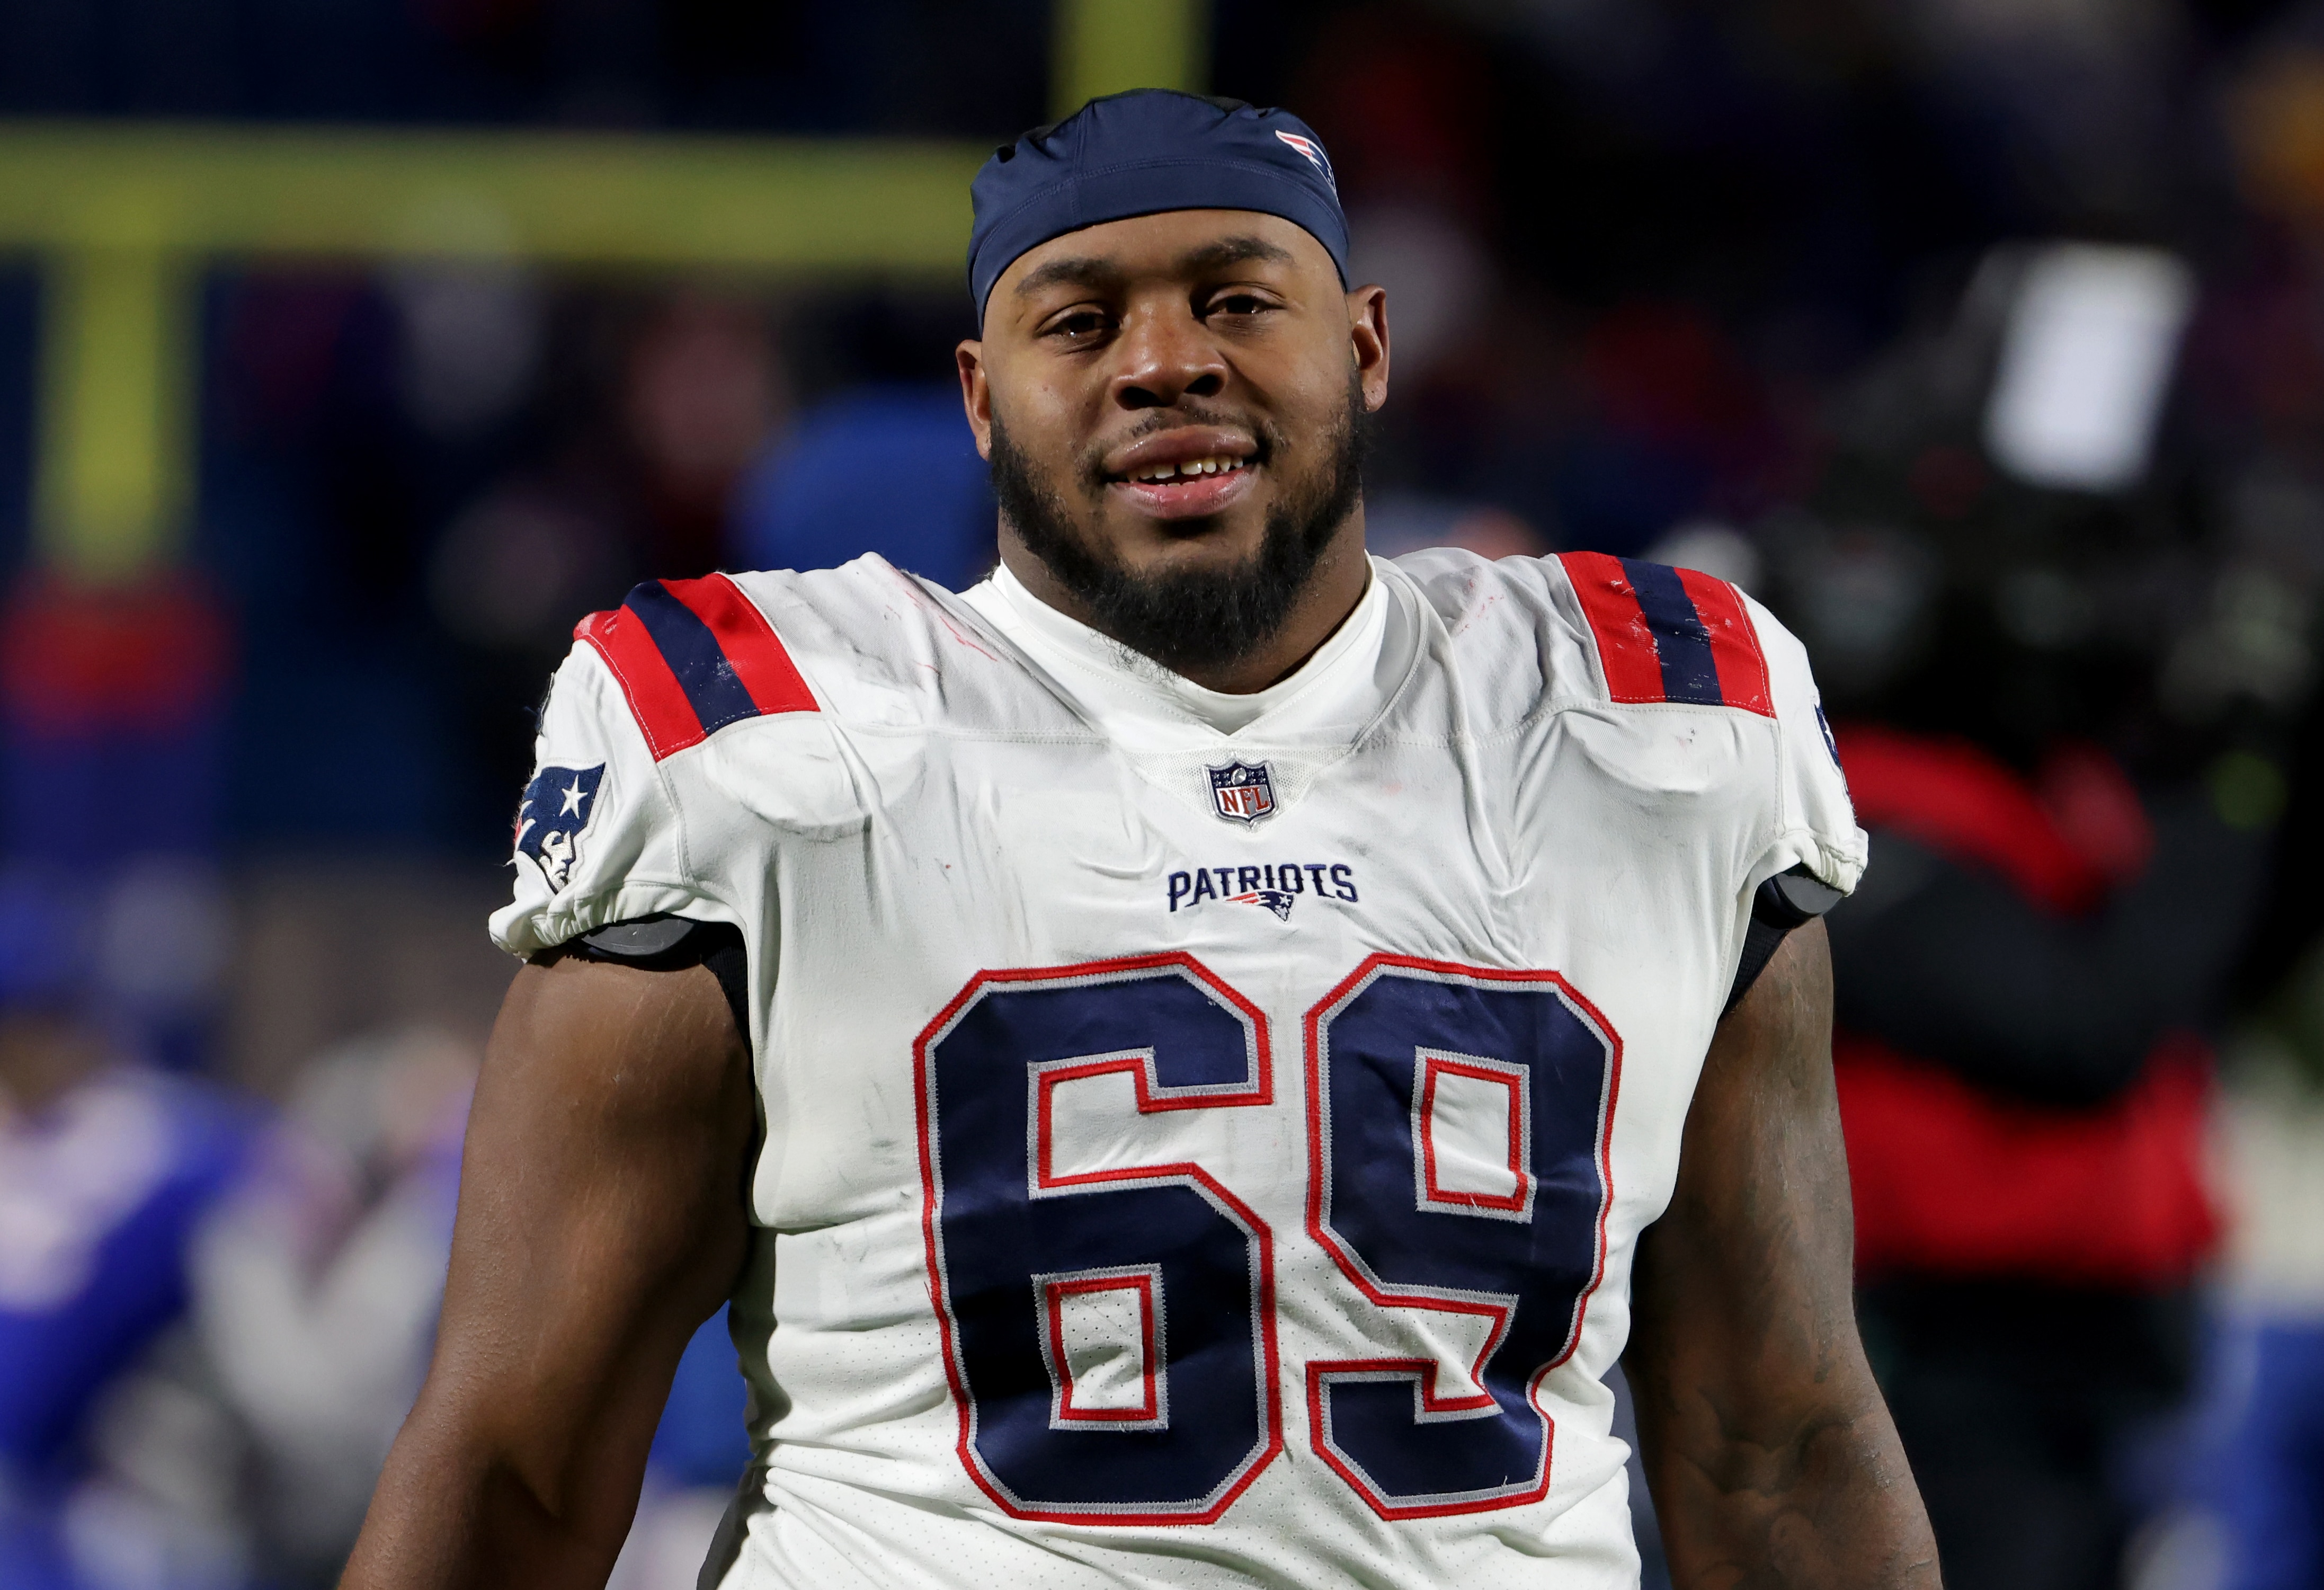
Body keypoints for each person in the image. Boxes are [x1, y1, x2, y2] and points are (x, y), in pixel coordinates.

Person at [342, 91, 1937, 1589]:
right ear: (981, 396)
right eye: (1081, 318)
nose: (1163, 361)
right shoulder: (767, 743)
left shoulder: (1644, 719)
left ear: (1368, 347)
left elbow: (1776, 1435)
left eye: (1237, 298)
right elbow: (516, 1460)